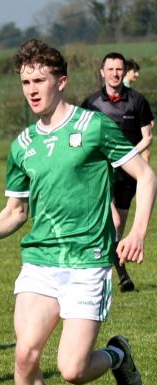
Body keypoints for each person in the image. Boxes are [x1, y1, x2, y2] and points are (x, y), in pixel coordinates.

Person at [0, 40, 156, 385]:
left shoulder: (94, 127)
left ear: (61, 82)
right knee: (25, 353)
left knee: (72, 369)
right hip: (40, 261)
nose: (31, 89)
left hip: (87, 263)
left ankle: (118, 355)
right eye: (25, 82)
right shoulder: (23, 145)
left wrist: (137, 232)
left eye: (40, 80)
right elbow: (16, 212)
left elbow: (145, 176)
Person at [81, 52, 154, 292]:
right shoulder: (90, 103)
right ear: (102, 72)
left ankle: (107, 269)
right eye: (110, 69)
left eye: (118, 69)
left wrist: (128, 156)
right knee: (110, 220)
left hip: (128, 174)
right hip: (101, 172)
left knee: (118, 227)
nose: (114, 73)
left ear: (124, 72)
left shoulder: (137, 101)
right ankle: (120, 275)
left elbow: (148, 137)